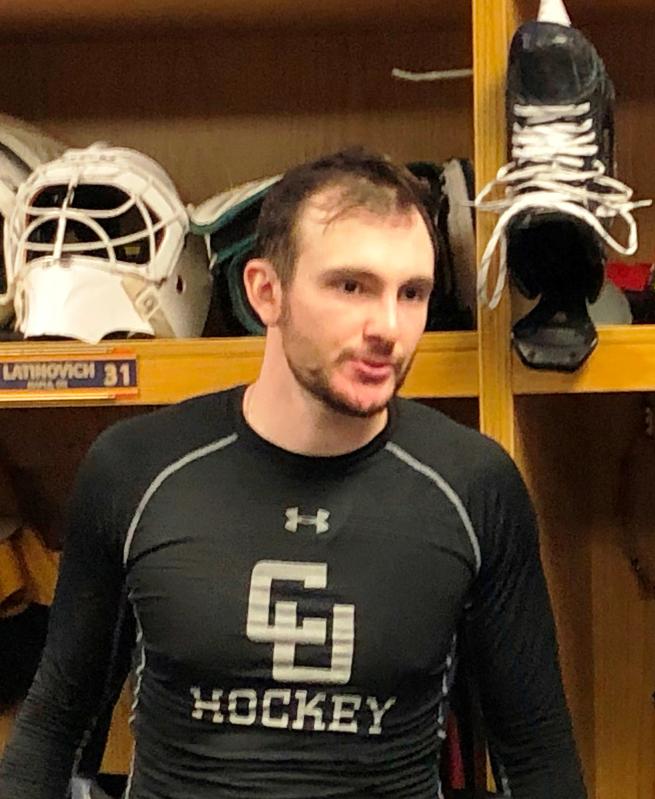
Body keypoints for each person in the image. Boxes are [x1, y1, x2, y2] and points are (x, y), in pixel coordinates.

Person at [0, 148, 586, 799]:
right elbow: (54, 730)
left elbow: (536, 756)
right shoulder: (137, 470)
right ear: (264, 291)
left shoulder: (473, 486)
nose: (388, 327)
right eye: (351, 286)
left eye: (412, 293)